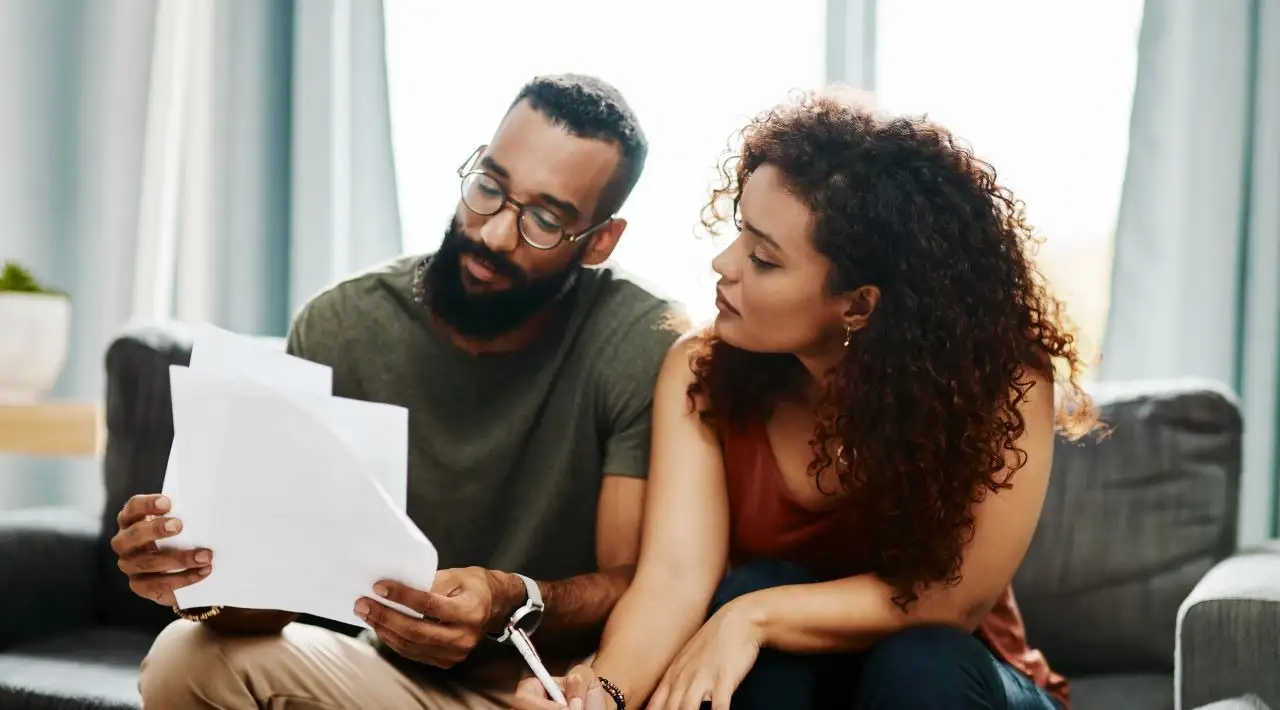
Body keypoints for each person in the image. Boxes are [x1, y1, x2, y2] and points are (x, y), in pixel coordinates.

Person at [514, 87, 1101, 710]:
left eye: (763, 260)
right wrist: (603, 694)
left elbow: (952, 601)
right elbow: (675, 579)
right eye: (740, 234)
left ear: (858, 305)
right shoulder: (699, 370)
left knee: (914, 660)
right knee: (758, 604)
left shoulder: (1005, 385)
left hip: (957, 682)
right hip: (798, 683)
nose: (723, 263)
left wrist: (753, 617)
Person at [112, 73, 685, 708]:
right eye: (489, 187)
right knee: (183, 660)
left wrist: (508, 600)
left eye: (544, 221)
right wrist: (195, 580)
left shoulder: (639, 341)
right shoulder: (345, 325)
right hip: (387, 681)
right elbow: (271, 603)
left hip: (549, 693)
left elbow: (634, 581)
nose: (492, 234)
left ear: (599, 241)